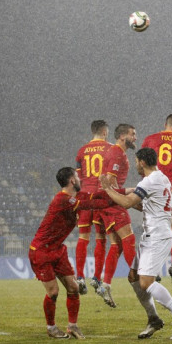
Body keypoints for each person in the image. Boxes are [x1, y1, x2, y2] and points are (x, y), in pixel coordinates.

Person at [100, 148, 172, 340]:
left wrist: (108, 190)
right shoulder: (162, 178)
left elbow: (126, 203)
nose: (135, 165)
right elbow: (143, 205)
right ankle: (154, 319)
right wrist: (123, 198)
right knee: (134, 277)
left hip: (158, 237)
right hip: (152, 235)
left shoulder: (149, 181)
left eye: (136, 162)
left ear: (141, 162)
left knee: (146, 282)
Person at [29, 167, 112, 338]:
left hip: (58, 250)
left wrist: (128, 191)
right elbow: (92, 204)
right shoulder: (62, 199)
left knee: (73, 287)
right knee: (53, 292)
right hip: (41, 251)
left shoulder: (73, 198)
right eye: (77, 176)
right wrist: (119, 199)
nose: (80, 178)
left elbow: (95, 197)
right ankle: (51, 328)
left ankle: (72, 326)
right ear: (72, 181)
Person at [141, 113, 172, 288]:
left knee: (153, 227)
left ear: (165, 124)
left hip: (153, 189)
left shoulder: (151, 139)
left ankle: (155, 268)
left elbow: (141, 163)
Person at [96, 123, 138, 307]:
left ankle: (105, 285)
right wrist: (129, 191)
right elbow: (111, 184)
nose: (135, 137)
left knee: (117, 245)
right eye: (132, 134)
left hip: (107, 203)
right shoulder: (116, 153)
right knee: (129, 239)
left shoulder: (119, 153)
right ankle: (139, 275)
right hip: (112, 202)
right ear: (122, 136)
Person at [73, 120, 110, 295]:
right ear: (104, 132)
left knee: (83, 236)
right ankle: (96, 277)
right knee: (101, 237)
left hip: (85, 196)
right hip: (101, 196)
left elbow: (77, 180)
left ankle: (79, 276)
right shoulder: (111, 149)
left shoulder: (81, 151)